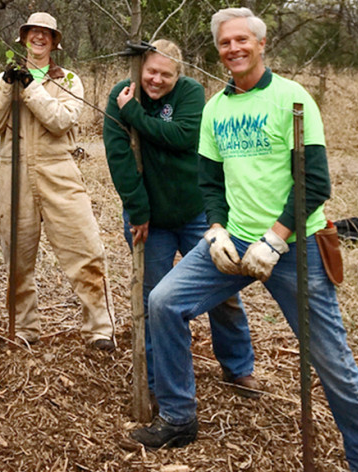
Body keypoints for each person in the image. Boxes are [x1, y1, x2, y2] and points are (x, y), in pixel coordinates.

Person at [129, 8, 358, 472]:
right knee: (164, 301)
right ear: (219, 50)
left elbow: (316, 182)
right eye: (226, 43)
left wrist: (276, 237)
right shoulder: (216, 109)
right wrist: (216, 228)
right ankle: (178, 417)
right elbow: (210, 181)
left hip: (295, 249)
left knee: (331, 361)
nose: (234, 49)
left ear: (261, 44)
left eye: (242, 40)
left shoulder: (292, 98)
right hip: (232, 243)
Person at [102, 39, 259, 400]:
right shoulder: (122, 94)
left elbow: (183, 137)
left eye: (165, 75)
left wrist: (135, 116)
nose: (156, 80)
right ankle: (159, 382)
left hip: (195, 211)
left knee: (224, 287)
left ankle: (237, 367)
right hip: (149, 219)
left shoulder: (190, 93)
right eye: (151, 72)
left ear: (179, 75)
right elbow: (118, 156)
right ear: (141, 68)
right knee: (155, 300)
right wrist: (138, 210)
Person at [0, 12, 116, 351]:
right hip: (14, 170)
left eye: (46, 34)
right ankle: (24, 327)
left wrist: (29, 87)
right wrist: (9, 86)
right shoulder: (3, 79)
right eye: (33, 32)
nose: (39, 38)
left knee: (84, 248)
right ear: (24, 38)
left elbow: (60, 119)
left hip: (59, 169)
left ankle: (99, 329)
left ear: (54, 41)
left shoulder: (68, 79)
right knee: (17, 258)